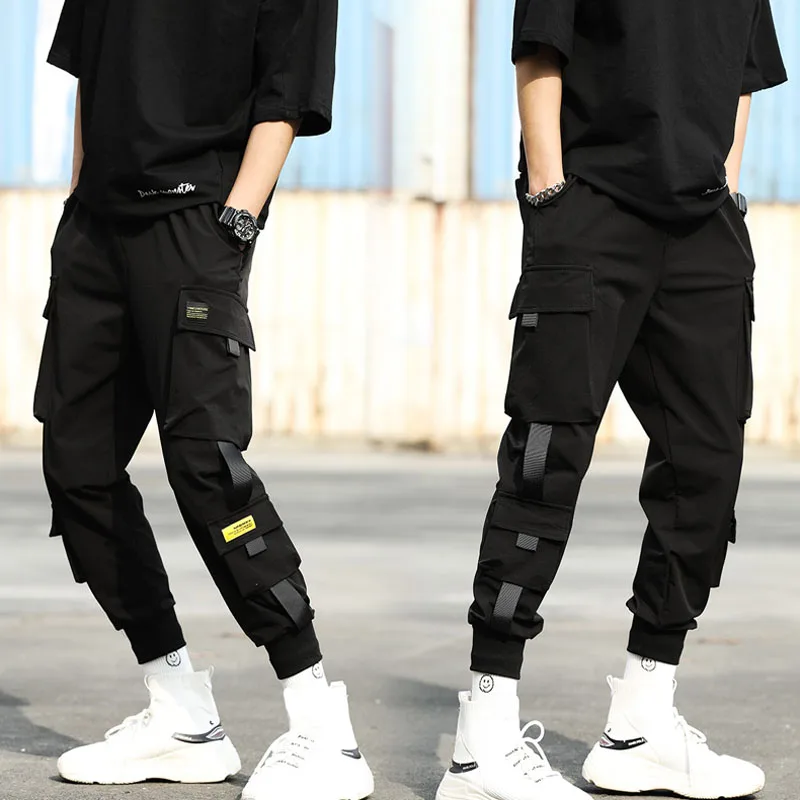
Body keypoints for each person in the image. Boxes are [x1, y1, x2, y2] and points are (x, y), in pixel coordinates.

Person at [437, 2, 787, 799]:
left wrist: (728, 189)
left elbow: (744, 72)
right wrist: (550, 196)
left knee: (707, 464)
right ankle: (484, 737)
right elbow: (539, 50)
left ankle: (640, 724)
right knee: (544, 460)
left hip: (703, 224)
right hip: (591, 208)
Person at [35, 2, 374, 799]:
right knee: (77, 467)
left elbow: (286, 96)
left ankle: (322, 727)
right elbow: (90, 69)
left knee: (207, 466)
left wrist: (237, 221)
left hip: (196, 221)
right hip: (97, 227)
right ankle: (180, 714)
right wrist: (80, 198)